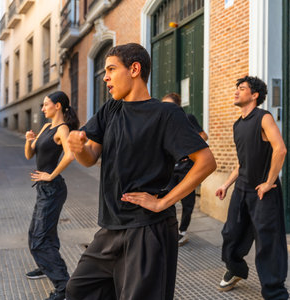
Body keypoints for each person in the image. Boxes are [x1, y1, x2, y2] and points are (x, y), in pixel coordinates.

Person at [66, 43, 216, 300]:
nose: (105, 77)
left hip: (149, 230)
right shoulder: (110, 109)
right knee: (79, 289)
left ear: (134, 69)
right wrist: (77, 148)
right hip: (111, 227)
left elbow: (206, 161)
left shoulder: (165, 114)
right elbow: (90, 157)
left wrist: (163, 202)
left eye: (111, 69)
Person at [215, 76, 288, 299]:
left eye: (242, 88)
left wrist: (269, 182)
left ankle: (275, 293)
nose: (236, 92)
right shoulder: (238, 124)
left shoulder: (263, 118)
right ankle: (236, 269)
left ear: (254, 95)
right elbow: (241, 162)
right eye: (236, 88)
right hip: (242, 190)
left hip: (264, 192)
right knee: (230, 234)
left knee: (268, 243)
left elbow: (280, 149)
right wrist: (226, 184)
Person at [24, 91, 80, 300]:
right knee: (39, 233)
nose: (42, 108)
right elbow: (30, 154)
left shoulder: (62, 129)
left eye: (46, 104)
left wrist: (51, 175)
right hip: (43, 189)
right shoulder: (46, 127)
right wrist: (28, 140)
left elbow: (70, 154)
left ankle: (63, 287)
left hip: (52, 189)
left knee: (39, 239)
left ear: (57, 106)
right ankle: (46, 266)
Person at [162, 92, 208, 246]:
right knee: (165, 198)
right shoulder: (163, 122)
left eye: (169, 104)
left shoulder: (188, 118)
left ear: (177, 106)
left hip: (187, 168)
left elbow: (203, 136)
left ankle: (182, 232)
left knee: (188, 202)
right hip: (170, 168)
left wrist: (190, 149)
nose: (165, 108)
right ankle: (168, 229)